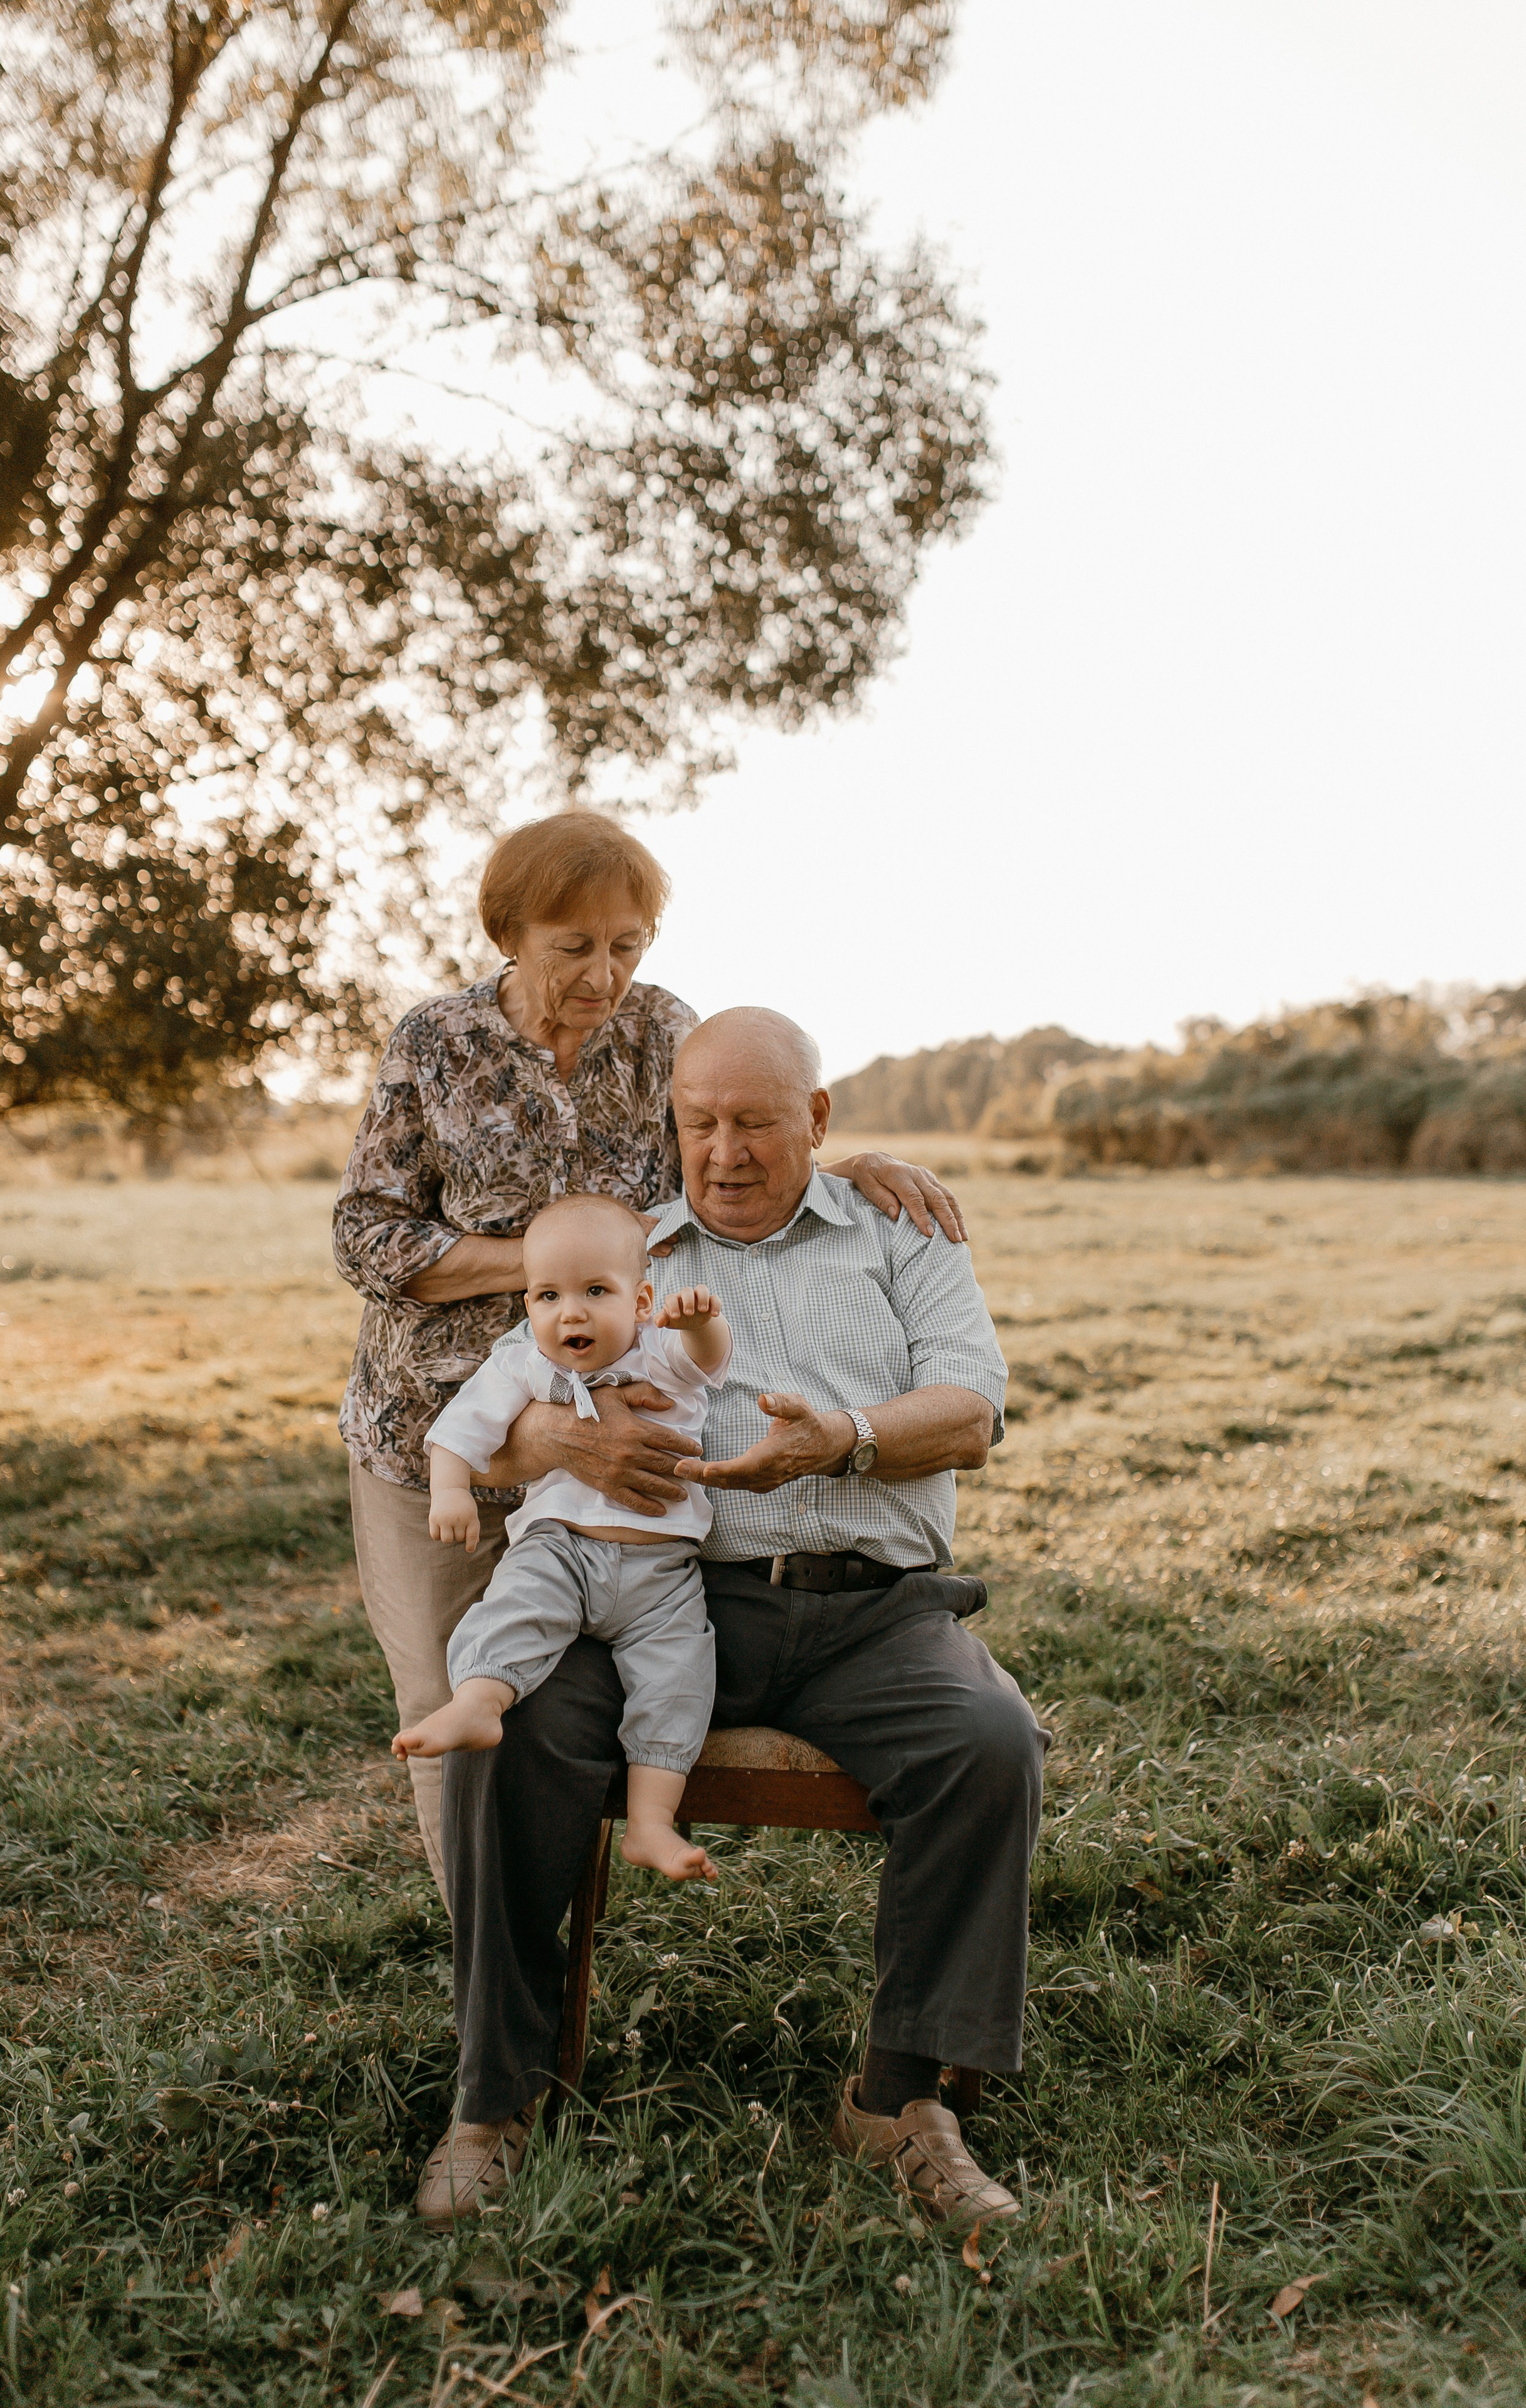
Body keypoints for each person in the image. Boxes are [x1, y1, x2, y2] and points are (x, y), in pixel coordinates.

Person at [416, 1006, 1048, 2232]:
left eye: (755, 1122)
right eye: (697, 1122)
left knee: (987, 1742)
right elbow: (512, 1403)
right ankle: (494, 2100)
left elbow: (971, 1412)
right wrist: (553, 1438)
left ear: (816, 1119)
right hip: (659, 1601)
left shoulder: (901, 1229)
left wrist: (843, 1440)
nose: (723, 1152)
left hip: (871, 1610)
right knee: (513, 1724)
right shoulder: (626, 1249)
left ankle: (898, 2102)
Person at [333, 810, 970, 1901]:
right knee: (457, 1695)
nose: (605, 974)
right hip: (441, 1434)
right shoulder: (436, 1043)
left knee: (567, 1707)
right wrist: (554, 1271)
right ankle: (490, 1956)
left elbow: (727, 1141)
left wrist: (840, 1164)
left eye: (627, 944)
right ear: (509, 935)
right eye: (574, 946)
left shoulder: (663, 1029)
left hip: (618, 1438)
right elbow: (366, 1236)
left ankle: (565, 1919)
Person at [391, 1192, 730, 1884]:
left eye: (595, 1291)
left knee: (678, 1681)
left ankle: (651, 1823)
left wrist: (703, 1324)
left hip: (661, 1575)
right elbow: (460, 1429)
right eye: (548, 1296)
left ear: (640, 1302)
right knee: (515, 1610)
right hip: (561, 1549)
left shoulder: (659, 1351)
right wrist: (451, 1491)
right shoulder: (524, 1363)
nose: (570, 1313)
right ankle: (479, 1703)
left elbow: (708, 1361)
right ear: (529, 1307)